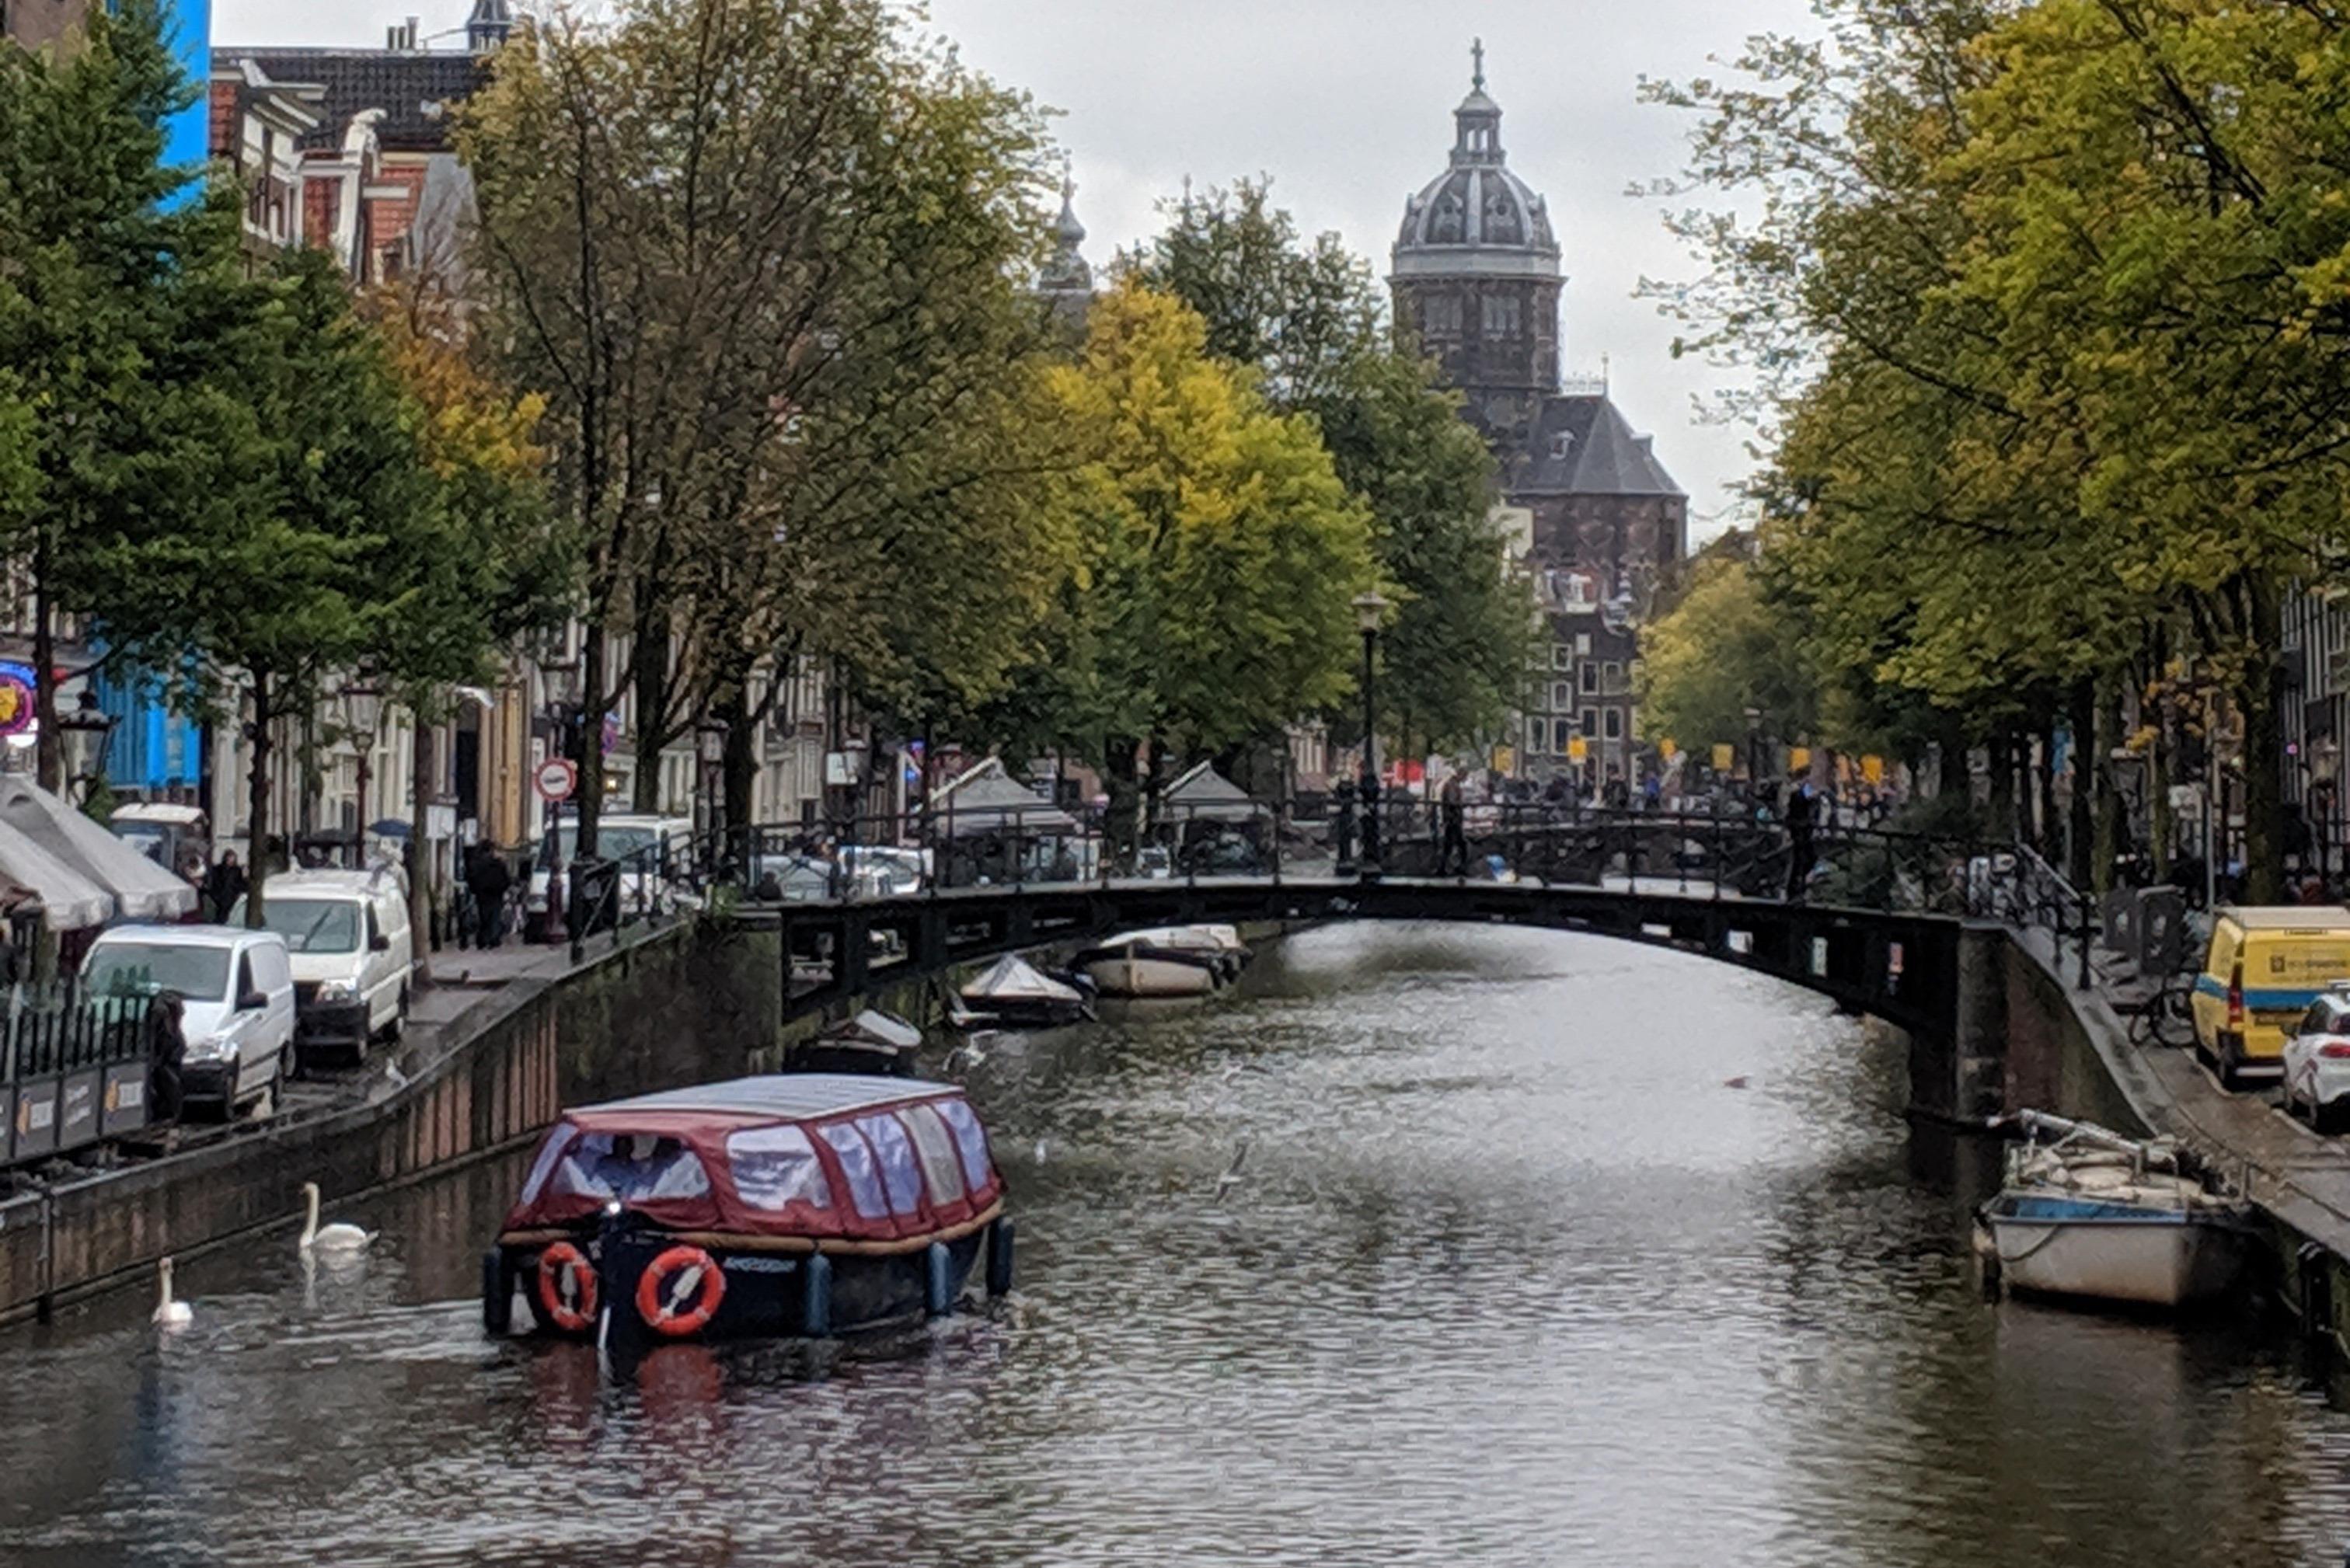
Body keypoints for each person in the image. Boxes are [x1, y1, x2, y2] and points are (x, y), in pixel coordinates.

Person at [466, 844, 513, 951]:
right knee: (494, 917)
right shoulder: (498, 865)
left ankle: (483, 939)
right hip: (495, 894)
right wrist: (503, 888)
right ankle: (492, 939)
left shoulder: (476, 864)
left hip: (482, 895)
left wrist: (476, 890)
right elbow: (506, 880)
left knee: (484, 917)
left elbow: (471, 879)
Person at [1784, 778, 1816, 900]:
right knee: (1799, 861)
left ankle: (1799, 887)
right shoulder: (1797, 795)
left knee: (1805, 860)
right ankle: (1795, 888)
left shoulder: (1803, 795)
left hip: (1804, 833)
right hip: (1800, 832)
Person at [202, 851, 246, 925]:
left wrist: (241, 887)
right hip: (219, 894)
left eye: (232, 858)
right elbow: (212, 880)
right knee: (221, 911)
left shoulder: (237, 870)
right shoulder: (218, 869)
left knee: (225, 912)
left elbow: (240, 883)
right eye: (229, 858)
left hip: (231, 895)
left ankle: (221, 924)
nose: (230, 860)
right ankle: (219, 924)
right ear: (225, 858)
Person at [1438, 772, 1468, 876]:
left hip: (1451, 818)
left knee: (1450, 844)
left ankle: (1444, 868)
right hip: (1453, 819)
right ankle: (1459, 868)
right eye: (1464, 776)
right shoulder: (1452, 785)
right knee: (1459, 845)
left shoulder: (1451, 784)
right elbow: (1452, 802)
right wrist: (1461, 805)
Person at [1332, 778, 1358, 871]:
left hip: (1346, 817)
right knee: (1344, 839)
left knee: (1346, 839)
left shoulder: (1347, 794)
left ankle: (1345, 858)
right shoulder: (1348, 793)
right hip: (1344, 817)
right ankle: (1344, 858)